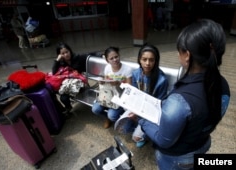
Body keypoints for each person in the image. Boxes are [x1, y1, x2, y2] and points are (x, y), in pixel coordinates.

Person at [138, 19, 230, 170]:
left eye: (179, 50)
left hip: (178, 158)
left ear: (187, 55)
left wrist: (142, 120)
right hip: (202, 144)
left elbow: (164, 140)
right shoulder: (224, 84)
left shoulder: (179, 102)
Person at [117, 44, 169, 148]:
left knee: (136, 138)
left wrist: (141, 117)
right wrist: (134, 110)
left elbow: (159, 104)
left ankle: (146, 132)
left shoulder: (162, 80)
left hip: (150, 112)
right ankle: (140, 127)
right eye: (144, 59)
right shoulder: (136, 73)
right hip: (137, 107)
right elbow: (134, 94)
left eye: (151, 60)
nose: (147, 63)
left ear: (156, 61)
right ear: (139, 60)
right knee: (122, 128)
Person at [91, 46, 132, 129]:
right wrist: (102, 81)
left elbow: (130, 88)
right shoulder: (107, 68)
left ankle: (120, 122)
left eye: (116, 57)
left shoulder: (127, 69)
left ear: (119, 55)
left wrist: (119, 83)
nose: (114, 60)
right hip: (109, 95)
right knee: (95, 109)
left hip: (121, 97)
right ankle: (107, 118)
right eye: (111, 58)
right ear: (107, 60)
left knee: (112, 115)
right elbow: (106, 82)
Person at [51, 42, 86, 116]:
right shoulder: (61, 63)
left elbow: (90, 55)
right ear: (60, 55)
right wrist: (57, 60)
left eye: (67, 52)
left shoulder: (77, 57)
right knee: (63, 98)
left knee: (62, 92)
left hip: (79, 85)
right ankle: (68, 108)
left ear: (70, 51)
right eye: (63, 53)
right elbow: (54, 72)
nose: (66, 55)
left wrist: (102, 55)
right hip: (68, 85)